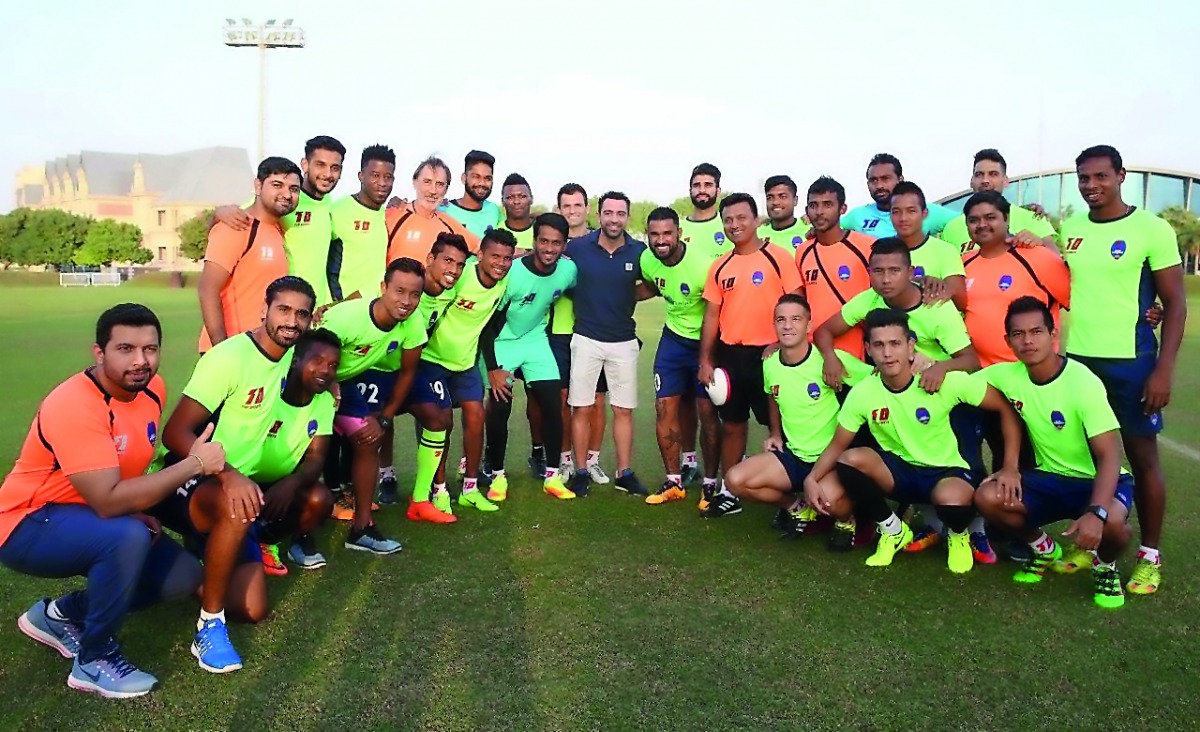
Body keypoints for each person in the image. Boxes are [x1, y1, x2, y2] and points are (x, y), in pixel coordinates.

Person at [0, 304, 224, 698]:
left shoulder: (152, 389)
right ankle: (94, 659)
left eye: (150, 349)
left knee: (184, 576)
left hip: (84, 511)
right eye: (125, 349)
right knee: (125, 537)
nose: (140, 361)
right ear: (99, 353)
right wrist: (195, 464)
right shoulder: (75, 404)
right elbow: (106, 501)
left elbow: (120, 470)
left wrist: (134, 509)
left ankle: (60, 615)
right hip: (24, 523)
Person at [152, 276, 323, 674]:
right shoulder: (229, 358)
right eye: (283, 310)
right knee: (237, 505)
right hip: (182, 475)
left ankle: (186, 567)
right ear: (264, 310)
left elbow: (327, 359)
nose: (291, 321)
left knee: (252, 607)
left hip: (229, 486)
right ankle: (209, 626)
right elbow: (175, 433)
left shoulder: (291, 358)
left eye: (301, 314)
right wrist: (229, 475)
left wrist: (331, 386)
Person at [1056, 144, 1186, 595]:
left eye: (1100, 176)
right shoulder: (1071, 228)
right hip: (1079, 364)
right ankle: (1092, 544)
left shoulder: (1151, 228)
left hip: (1133, 364)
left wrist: (1163, 370)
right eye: (1084, 178)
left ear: (1121, 176)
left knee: (1143, 458)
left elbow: (1175, 303)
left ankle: (1149, 555)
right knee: (1091, 459)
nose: (1091, 185)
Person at [803, 308, 1023, 574]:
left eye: (895, 344)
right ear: (868, 349)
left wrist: (1010, 466)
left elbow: (1005, 409)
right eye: (879, 345)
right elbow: (838, 445)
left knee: (952, 501)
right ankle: (892, 530)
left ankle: (957, 533)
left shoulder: (944, 380)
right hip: (902, 473)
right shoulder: (863, 393)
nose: (887, 353)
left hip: (947, 472)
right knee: (850, 460)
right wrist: (811, 479)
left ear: (910, 346)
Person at [974, 297, 1133, 608]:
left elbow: (1111, 455)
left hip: (1096, 480)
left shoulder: (1083, 382)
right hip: (1049, 478)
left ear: (1053, 334)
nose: (1028, 341)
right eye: (1018, 334)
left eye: (1036, 331)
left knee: (1114, 523)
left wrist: (1096, 512)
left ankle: (1104, 566)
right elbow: (956, 382)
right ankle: (1043, 548)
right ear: (1007, 341)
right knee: (987, 497)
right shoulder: (1006, 375)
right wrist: (928, 365)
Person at [724, 294, 871, 545]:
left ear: (809, 325)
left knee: (830, 501)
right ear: (774, 325)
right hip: (795, 456)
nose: (788, 326)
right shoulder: (770, 363)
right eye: (781, 320)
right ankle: (797, 507)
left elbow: (876, 379)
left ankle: (847, 520)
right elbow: (772, 395)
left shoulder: (831, 360)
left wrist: (915, 364)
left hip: (831, 460)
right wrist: (775, 433)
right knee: (735, 481)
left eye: (795, 319)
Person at [698, 193, 804, 517]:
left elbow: (797, 304)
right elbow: (712, 316)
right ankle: (730, 493)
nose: (735, 225)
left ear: (756, 220)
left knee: (782, 427)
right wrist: (705, 359)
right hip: (731, 355)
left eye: (742, 218)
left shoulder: (778, 257)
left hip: (770, 355)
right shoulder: (720, 266)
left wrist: (781, 344)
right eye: (728, 220)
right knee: (732, 424)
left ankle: (795, 495)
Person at [320, 258, 430, 532]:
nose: (407, 301)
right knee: (317, 437)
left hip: (344, 381)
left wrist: (385, 417)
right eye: (399, 291)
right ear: (383, 287)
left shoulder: (413, 322)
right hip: (312, 380)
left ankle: (362, 522)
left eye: (415, 294)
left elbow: (407, 373)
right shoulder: (346, 317)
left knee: (369, 437)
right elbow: (309, 356)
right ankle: (328, 496)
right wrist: (329, 384)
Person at [480, 213, 578, 500]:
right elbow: (488, 324)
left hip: (535, 340)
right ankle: (497, 475)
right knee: (500, 407)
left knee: (553, 404)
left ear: (564, 245)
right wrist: (493, 368)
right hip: (503, 341)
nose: (549, 248)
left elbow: (579, 292)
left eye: (556, 243)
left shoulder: (568, 270)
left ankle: (552, 477)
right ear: (534, 241)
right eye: (544, 241)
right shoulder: (513, 274)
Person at [373, 233, 469, 514]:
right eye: (447, 261)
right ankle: (386, 476)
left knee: (442, 417)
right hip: (379, 365)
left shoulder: (450, 292)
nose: (453, 270)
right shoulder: (408, 285)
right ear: (430, 259)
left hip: (415, 364)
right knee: (380, 418)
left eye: (459, 265)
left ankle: (431, 489)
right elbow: (366, 302)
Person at [421, 228, 517, 511]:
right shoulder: (460, 277)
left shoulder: (504, 281)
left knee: (476, 417)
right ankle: (438, 489)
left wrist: (492, 367)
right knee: (442, 423)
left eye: (507, 258)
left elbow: (486, 326)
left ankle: (470, 489)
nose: (501, 263)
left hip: (465, 363)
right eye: (495, 256)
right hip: (432, 360)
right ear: (480, 255)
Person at [565, 191, 649, 497]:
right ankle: (581, 471)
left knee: (623, 410)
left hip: (624, 341)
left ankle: (624, 472)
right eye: (609, 213)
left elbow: (654, 282)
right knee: (581, 407)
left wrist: (628, 296)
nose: (614, 219)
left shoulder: (639, 251)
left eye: (620, 213)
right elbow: (560, 275)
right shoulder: (577, 247)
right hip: (585, 338)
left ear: (628, 216)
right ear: (598, 215)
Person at [637, 207, 721, 503]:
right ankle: (674, 482)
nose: (660, 240)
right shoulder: (647, 260)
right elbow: (652, 286)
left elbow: (716, 312)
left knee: (707, 412)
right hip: (673, 340)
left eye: (667, 234)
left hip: (706, 343)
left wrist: (707, 358)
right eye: (654, 234)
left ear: (680, 234)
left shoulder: (703, 267)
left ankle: (710, 484)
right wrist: (616, 298)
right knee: (664, 407)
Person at [212, 136, 347, 308]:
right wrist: (218, 213)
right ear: (305, 165)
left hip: (319, 311)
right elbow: (239, 216)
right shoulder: (284, 201)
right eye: (320, 165)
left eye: (335, 168)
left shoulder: (328, 203)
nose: (328, 174)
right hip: (287, 309)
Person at [198, 156, 300, 352]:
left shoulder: (279, 230)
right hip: (232, 348)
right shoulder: (236, 226)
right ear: (258, 186)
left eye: (294, 189)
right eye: (277, 185)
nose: (287, 194)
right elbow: (207, 289)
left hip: (263, 347)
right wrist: (222, 350)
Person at [548, 183, 610, 483]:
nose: (572, 211)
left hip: (595, 331)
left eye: (577, 205)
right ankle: (565, 460)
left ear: (587, 208)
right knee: (562, 398)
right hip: (559, 331)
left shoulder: (601, 243)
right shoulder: (555, 244)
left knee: (596, 399)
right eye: (566, 206)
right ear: (559, 209)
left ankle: (592, 460)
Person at [794, 176, 875, 359]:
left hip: (860, 350)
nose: (819, 212)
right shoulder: (802, 251)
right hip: (815, 351)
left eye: (827, 204)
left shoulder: (867, 246)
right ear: (806, 210)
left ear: (842, 208)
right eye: (813, 205)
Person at [940, 148, 1057, 254]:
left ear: (1005, 180)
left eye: (993, 174)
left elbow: (1055, 261)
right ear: (972, 181)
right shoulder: (952, 228)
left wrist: (1039, 245)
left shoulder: (1033, 218)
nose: (985, 180)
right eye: (979, 174)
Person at [328, 144, 395, 304]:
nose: (382, 183)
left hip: (376, 308)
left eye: (388, 177)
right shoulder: (337, 211)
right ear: (361, 176)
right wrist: (336, 303)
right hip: (343, 306)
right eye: (375, 175)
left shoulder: (389, 215)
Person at [888, 181, 967, 308]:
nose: (903, 218)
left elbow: (961, 301)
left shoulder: (945, 250)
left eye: (911, 211)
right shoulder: (882, 251)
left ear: (924, 214)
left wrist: (940, 285)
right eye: (896, 212)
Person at [843, 153, 957, 238]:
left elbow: (961, 222)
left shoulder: (924, 211)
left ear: (900, 179)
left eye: (885, 179)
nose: (879, 186)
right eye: (873, 180)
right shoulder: (857, 216)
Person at [386, 156, 476, 263]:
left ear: (446, 189)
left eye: (440, 184)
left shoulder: (448, 223)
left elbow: (482, 249)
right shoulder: (392, 217)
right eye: (427, 182)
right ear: (415, 182)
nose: (433, 191)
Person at [439, 150, 503, 238]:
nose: (482, 183)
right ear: (464, 178)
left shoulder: (494, 210)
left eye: (487, 178)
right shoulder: (443, 210)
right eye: (476, 177)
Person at [679, 163, 729, 260]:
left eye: (708, 185)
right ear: (690, 191)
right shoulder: (678, 229)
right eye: (697, 185)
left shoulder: (730, 225)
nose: (702, 190)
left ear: (718, 191)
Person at [757, 175, 809, 249]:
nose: (775, 202)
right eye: (770, 198)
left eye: (782, 196)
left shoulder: (810, 232)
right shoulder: (755, 235)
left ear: (795, 200)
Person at [496, 173, 535, 254]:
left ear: (531, 199)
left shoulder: (543, 230)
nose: (516, 201)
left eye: (522, 196)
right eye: (510, 197)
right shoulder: (496, 232)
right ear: (503, 202)